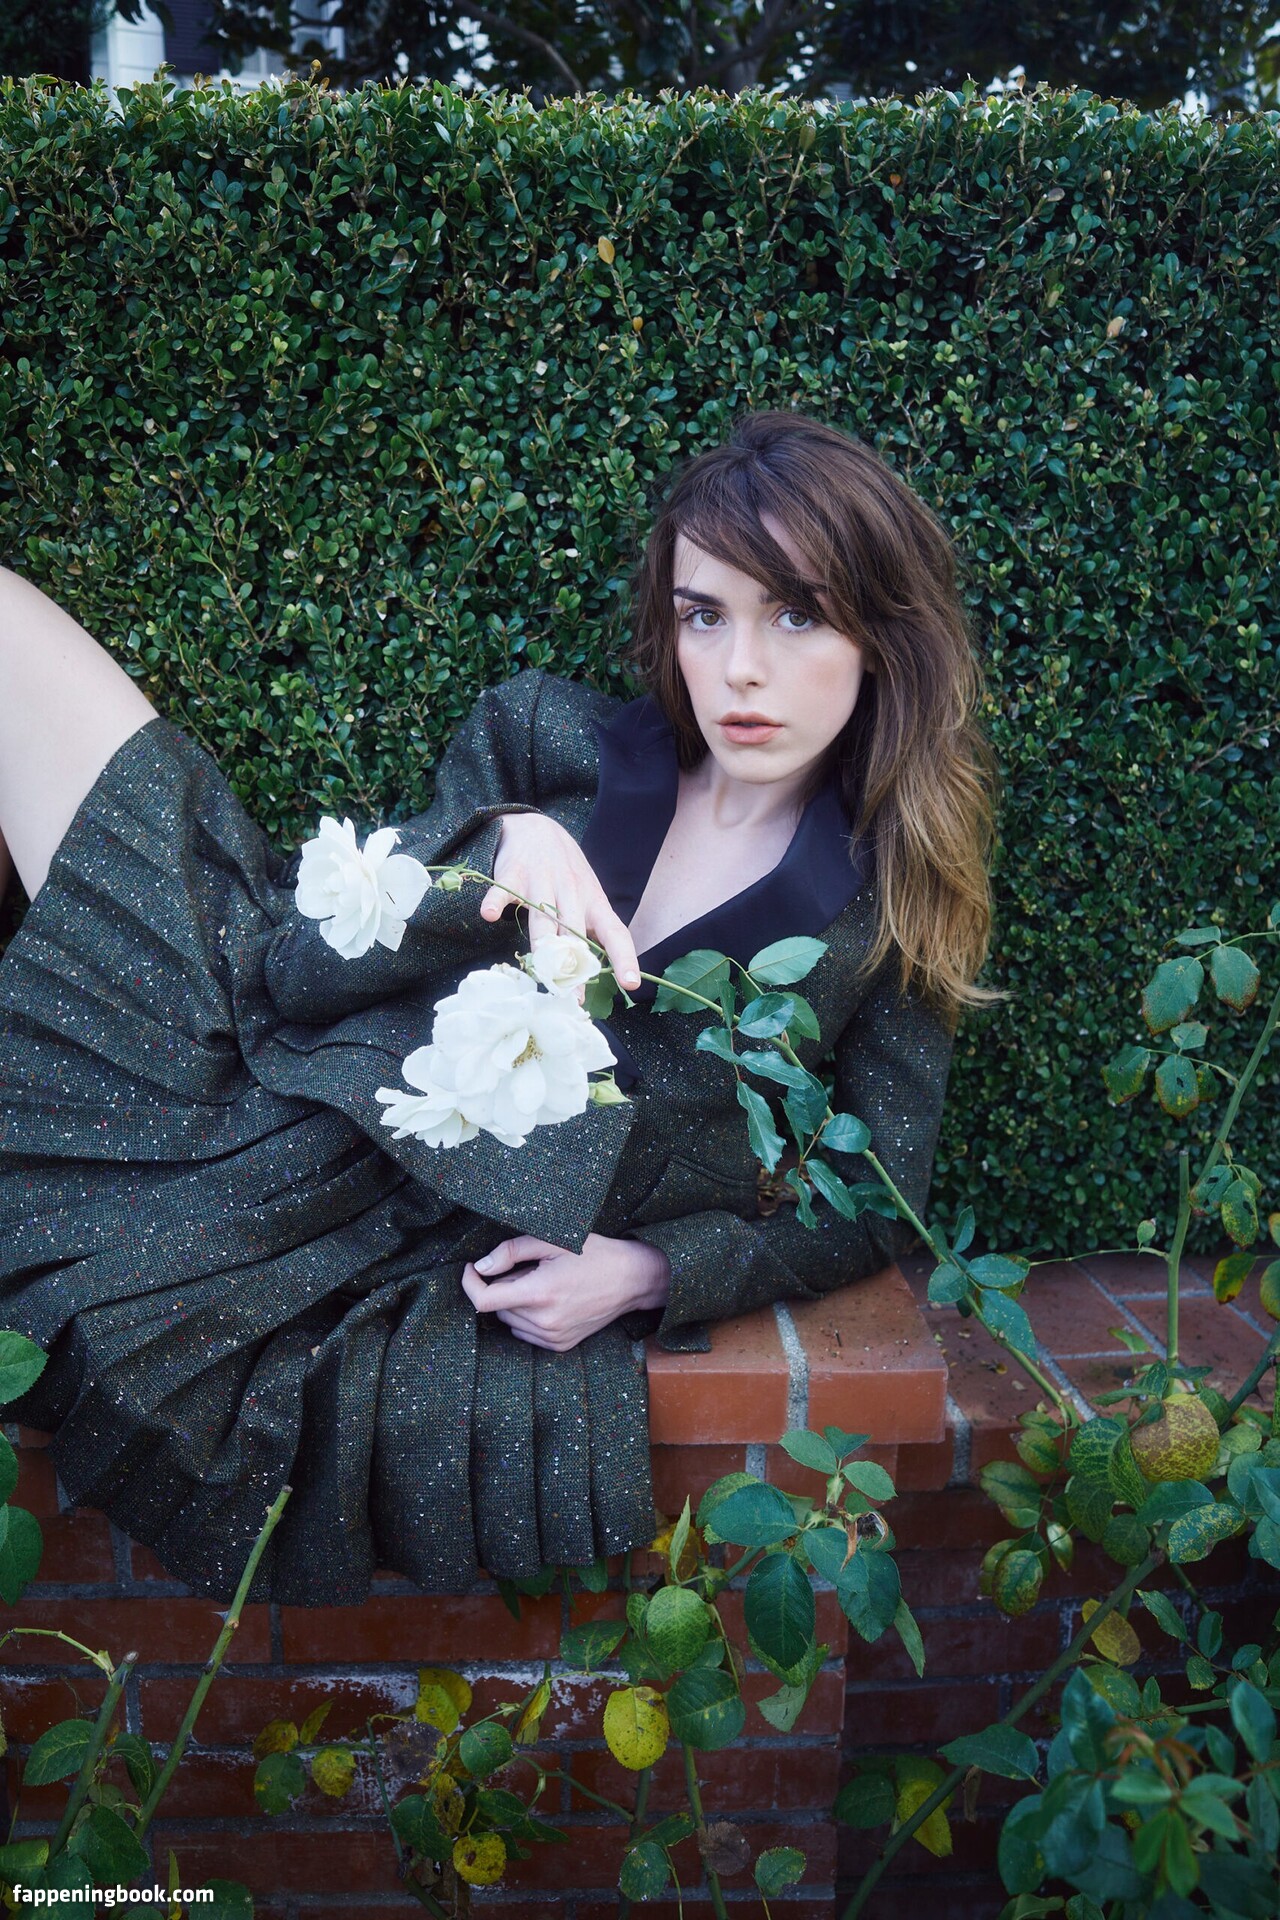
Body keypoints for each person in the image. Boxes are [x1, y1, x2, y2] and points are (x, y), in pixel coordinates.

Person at [0, 410, 1000, 1605]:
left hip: (430, 1249)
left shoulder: (885, 910)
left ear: (881, 634)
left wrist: (651, 1273)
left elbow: (876, 1201)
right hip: (289, 1096)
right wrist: (493, 846)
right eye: (704, 614)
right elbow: (299, 975)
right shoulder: (546, 741)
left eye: (795, 615)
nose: (740, 668)